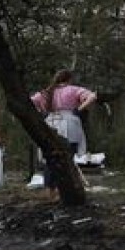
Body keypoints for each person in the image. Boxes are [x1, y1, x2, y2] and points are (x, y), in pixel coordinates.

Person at [31, 71, 97, 200]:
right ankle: (65, 190)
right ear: (69, 79)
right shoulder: (73, 90)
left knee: (51, 159)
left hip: (51, 123)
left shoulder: (46, 93)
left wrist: (40, 113)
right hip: (69, 123)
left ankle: (50, 190)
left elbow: (30, 101)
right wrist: (79, 108)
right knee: (67, 158)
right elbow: (92, 96)